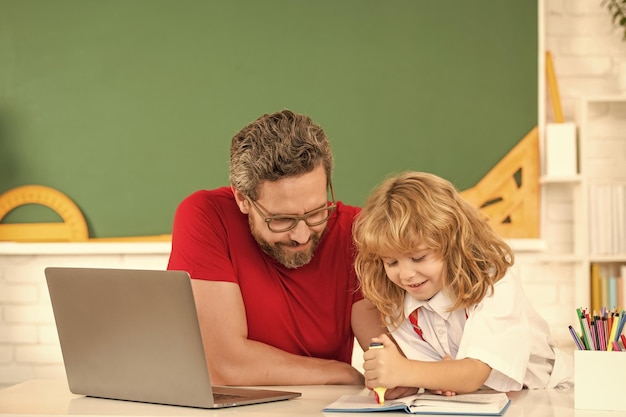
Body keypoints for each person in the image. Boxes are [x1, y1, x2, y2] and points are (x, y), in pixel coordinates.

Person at [167, 109, 386, 386]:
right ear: (242, 199)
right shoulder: (206, 215)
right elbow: (226, 365)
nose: (302, 234)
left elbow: (386, 353)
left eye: (317, 212)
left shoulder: (356, 230)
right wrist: (343, 373)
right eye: (282, 219)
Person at [353, 171, 573, 396]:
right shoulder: (402, 303)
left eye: (418, 258)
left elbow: (473, 373)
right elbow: (441, 376)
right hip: (482, 400)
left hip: (548, 395)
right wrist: (437, 377)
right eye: (391, 262)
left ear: (453, 243)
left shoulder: (494, 284)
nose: (406, 274)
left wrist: (405, 370)